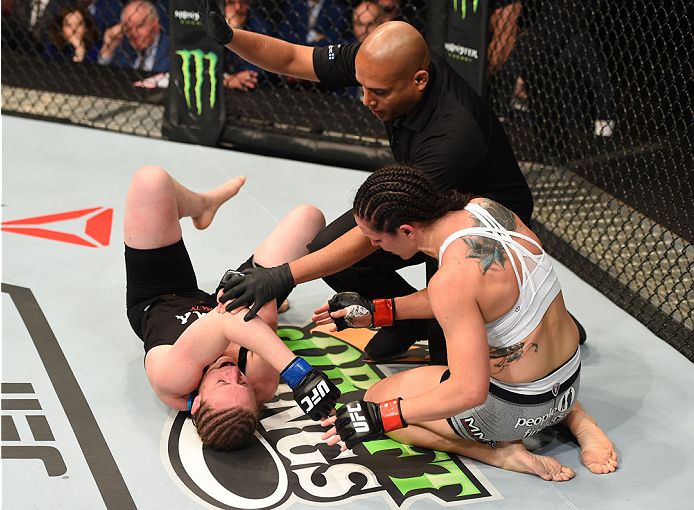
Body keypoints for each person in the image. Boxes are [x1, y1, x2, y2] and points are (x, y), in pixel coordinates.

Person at [195, 0, 542, 365]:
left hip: (488, 224)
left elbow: (375, 232)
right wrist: (230, 37)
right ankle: (410, 324)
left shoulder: (454, 135)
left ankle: (530, 305)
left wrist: (282, 276)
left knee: (450, 361)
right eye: (362, 87)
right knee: (333, 252)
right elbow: (294, 59)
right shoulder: (380, 61)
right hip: (432, 201)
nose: (366, 100)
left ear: (419, 81)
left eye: (379, 92)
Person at [315, 165, 618, 481]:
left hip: (514, 413)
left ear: (406, 230)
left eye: (376, 240)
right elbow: (469, 296)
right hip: (569, 384)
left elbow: (469, 391)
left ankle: (500, 453)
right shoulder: (487, 209)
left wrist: (382, 416)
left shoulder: (451, 281)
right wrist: (378, 310)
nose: (377, 248)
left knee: (377, 396)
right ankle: (580, 422)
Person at [124, 165, 340, 451]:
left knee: (150, 181)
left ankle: (201, 205)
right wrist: (250, 291)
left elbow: (227, 321)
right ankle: (202, 207)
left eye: (223, 385)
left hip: (160, 295)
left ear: (197, 401)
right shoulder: (262, 381)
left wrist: (299, 373)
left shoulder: (172, 379)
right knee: (309, 219)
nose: (233, 374)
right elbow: (260, 305)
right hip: (224, 303)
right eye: (243, 385)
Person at [98, 0, 169, 72]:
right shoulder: (123, 51)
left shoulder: (171, 50)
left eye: (139, 26)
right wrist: (108, 50)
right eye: (129, 29)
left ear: (155, 23)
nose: (134, 33)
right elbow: (103, 78)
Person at [222, 0, 273, 91]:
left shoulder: (261, 29)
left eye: (243, 2)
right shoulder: (202, 24)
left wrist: (235, 31)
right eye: (231, 3)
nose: (238, 8)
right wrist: (226, 80)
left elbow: (254, 73)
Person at [278, 0, 349, 47]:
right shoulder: (293, 4)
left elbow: (334, 40)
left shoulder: (337, 8)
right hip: (295, 52)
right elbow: (283, 34)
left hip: (322, 57)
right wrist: (312, 36)